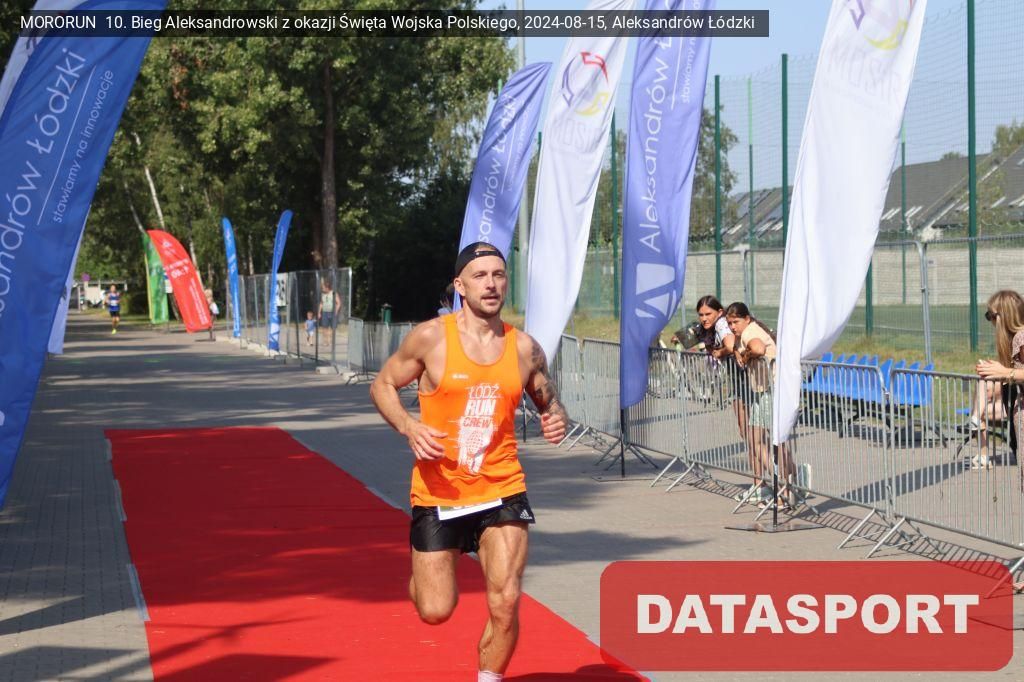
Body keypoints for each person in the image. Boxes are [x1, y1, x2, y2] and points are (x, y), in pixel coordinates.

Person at [370, 242, 567, 681]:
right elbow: (383, 385)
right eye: (480, 276)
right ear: (460, 286)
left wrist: (556, 417)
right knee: (435, 610)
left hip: (502, 488)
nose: (491, 284)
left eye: (498, 274)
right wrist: (409, 427)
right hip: (439, 493)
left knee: (506, 599)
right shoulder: (431, 338)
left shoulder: (524, 348)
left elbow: (548, 398)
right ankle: (423, 577)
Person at [725, 302, 794, 509]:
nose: (733, 326)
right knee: (764, 440)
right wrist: (737, 351)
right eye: (730, 323)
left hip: (769, 392)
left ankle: (783, 488)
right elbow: (733, 344)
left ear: (747, 319)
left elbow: (758, 348)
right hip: (764, 391)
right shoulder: (746, 332)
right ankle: (788, 484)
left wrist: (746, 355)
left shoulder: (749, 332)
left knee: (761, 442)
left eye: (736, 322)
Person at [973, 290, 1024, 473]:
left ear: (1002, 316)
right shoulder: (1014, 340)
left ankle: (976, 418)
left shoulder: (1021, 337)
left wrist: (1005, 372)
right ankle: (976, 418)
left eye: (990, 316)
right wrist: (996, 370)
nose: (991, 322)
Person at [318, 279, 342, 346]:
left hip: (332, 313)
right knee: (324, 328)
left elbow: (339, 303)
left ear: (327, 288)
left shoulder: (334, 293)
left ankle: (331, 342)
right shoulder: (323, 294)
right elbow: (321, 303)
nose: (322, 289)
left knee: (332, 328)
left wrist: (336, 311)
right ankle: (325, 341)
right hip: (324, 312)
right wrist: (319, 312)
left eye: (323, 288)